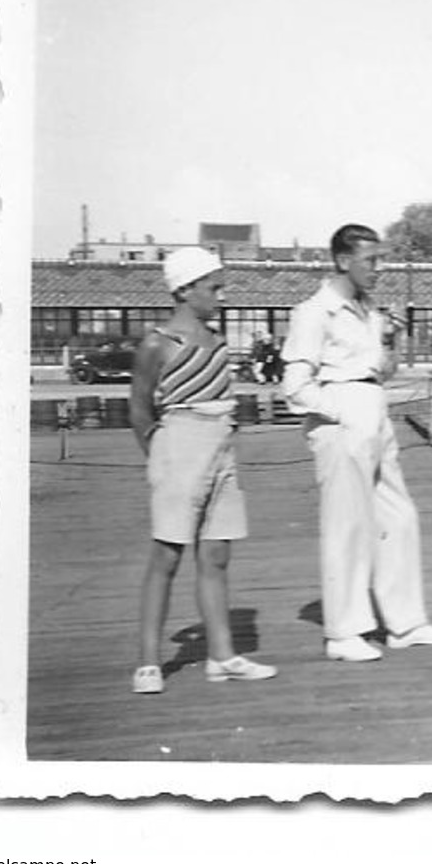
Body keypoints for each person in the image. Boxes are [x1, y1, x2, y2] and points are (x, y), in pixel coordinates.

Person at [281, 224, 432, 661]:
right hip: (342, 414)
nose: (379, 268)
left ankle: (405, 623)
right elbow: (294, 386)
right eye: (371, 260)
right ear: (343, 260)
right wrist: (342, 412)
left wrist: (390, 341)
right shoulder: (315, 312)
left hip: (374, 408)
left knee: (399, 517)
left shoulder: (369, 311)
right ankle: (343, 633)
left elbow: (382, 369)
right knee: (347, 524)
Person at [128, 247, 277, 694]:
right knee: (168, 554)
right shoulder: (158, 342)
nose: (222, 295)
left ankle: (222, 656)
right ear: (185, 289)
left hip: (222, 447)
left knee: (216, 554)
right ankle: (149, 664)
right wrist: (159, 455)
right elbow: (139, 409)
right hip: (179, 444)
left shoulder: (217, 340)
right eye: (214, 288)